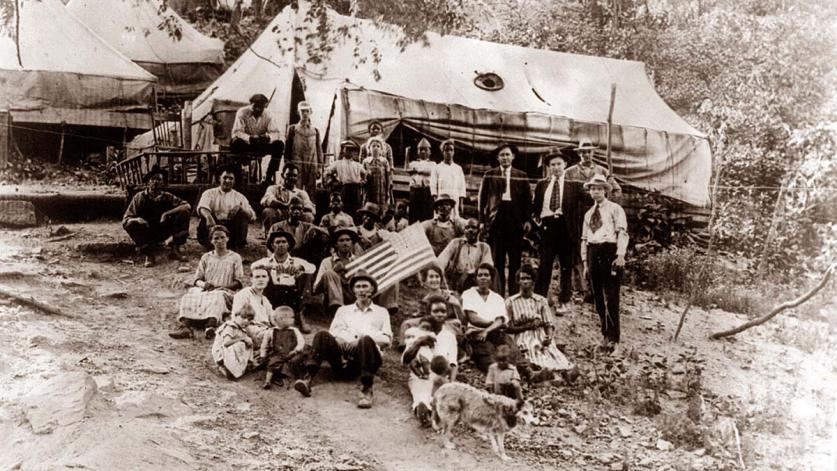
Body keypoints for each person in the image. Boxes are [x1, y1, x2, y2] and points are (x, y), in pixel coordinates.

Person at [300, 270, 392, 408]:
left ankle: (366, 390)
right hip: (342, 357)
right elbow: (334, 332)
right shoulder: (343, 310)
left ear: (372, 289)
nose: (361, 290)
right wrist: (341, 340)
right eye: (358, 287)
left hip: (365, 360)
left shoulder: (381, 312)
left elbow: (386, 339)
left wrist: (360, 341)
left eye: (365, 286)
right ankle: (307, 379)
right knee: (322, 335)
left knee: (366, 339)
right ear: (353, 290)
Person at [565, 139, 622, 302]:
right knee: (581, 251)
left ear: (593, 153)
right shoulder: (570, 172)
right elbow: (566, 196)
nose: (586, 154)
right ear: (579, 153)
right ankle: (583, 289)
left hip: (601, 216)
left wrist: (609, 207)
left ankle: (600, 289)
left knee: (600, 251)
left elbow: (617, 190)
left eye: (589, 151)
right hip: (579, 215)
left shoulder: (602, 171)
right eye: (583, 152)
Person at [580, 174, 628, 352]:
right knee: (598, 298)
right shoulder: (588, 214)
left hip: (610, 252)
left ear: (606, 191)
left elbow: (622, 233)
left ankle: (614, 338)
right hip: (593, 253)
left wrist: (620, 255)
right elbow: (584, 239)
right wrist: (585, 263)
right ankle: (605, 335)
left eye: (599, 188)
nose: (596, 192)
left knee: (612, 297)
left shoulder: (615, 209)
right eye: (593, 188)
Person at [171, 225, 245, 339]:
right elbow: (197, 279)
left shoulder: (235, 257)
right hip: (207, 289)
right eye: (216, 238)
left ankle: (211, 326)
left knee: (217, 296)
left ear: (228, 238)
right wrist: (204, 284)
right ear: (211, 241)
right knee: (189, 296)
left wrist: (221, 286)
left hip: (225, 291)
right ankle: (185, 327)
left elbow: (238, 282)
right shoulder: (206, 257)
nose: (219, 241)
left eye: (222, 237)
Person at [478, 143, 532, 296]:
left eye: (507, 154)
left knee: (515, 261)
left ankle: (514, 294)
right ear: (498, 157)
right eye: (502, 155)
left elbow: (528, 201)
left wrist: (527, 220)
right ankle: (499, 294)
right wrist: (482, 220)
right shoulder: (490, 174)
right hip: (496, 222)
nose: (505, 158)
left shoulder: (521, 175)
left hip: (515, 221)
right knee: (498, 261)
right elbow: (482, 199)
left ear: (513, 156)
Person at [505, 265, 574, 380]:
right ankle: (540, 374)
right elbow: (508, 327)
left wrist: (549, 336)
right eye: (522, 279)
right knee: (531, 349)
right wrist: (527, 326)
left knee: (550, 351)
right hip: (522, 335)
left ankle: (562, 374)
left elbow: (548, 323)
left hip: (540, 333)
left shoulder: (541, 300)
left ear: (533, 282)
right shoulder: (511, 301)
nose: (525, 281)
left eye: (528, 278)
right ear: (518, 281)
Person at [461, 263, 525, 376]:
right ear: (476, 278)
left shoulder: (497, 298)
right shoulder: (468, 294)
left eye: (486, 275)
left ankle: (528, 372)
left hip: (494, 332)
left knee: (509, 347)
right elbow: (473, 318)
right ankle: (500, 377)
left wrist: (488, 330)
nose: (483, 278)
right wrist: (492, 325)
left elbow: (500, 319)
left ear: (491, 278)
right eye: (480, 275)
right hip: (476, 333)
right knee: (487, 353)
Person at [402, 299, 458, 427]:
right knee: (420, 388)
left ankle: (431, 408)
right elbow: (405, 359)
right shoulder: (417, 332)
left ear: (447, 313)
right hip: (421, 373)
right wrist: (419, 341)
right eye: (435, 311)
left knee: (440, 391)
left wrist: (452, 383)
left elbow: (454, 362)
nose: (439, 314)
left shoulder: (449, 335)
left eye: (443, 311)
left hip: (442, 375)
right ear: (429, 313)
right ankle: (422, 409)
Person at [122, 165, 190, 267]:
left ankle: (174, 249)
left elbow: (186, 206)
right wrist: (137, 219)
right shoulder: (139, 197)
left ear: (163, 183)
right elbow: (126, 219)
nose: (155, 182)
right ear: (148, 182)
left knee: (184, 213)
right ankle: (148, 254)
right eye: (153, 179)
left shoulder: (167, 197)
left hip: (164, 230)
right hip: (147, 231)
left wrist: (166, 213)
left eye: (159, 179)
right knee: (132, 224)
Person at [532, 148, 576, 305]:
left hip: (565, 228)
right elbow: (535, 208)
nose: (556, 167)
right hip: (547, 227)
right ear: (549, 167)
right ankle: (539, 297)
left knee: (566, 265)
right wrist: (537, 224)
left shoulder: (573, 185)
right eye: (553, 164)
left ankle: (564, 299)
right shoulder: (542, 185)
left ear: (565, 164)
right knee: (545, 263)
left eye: (559, 164)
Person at [253, 230, 316, 333]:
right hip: (272, 297)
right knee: (262, 273)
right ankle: (267, 315)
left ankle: (300, 314)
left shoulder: (296, 261)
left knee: (305, 274)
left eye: (284, 242)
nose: (281, 245)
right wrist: (270, 267)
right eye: (277, 242)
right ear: (272, 246)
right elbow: (253, 266)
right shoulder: (266, 261)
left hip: (293, 297)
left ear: (288, 245)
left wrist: (300, 267)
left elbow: (312, 267)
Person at [397, 265, 464, 350]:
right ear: (425, 281)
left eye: (437, 276)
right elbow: (421, 317)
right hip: (430, 322)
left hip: (447, 323)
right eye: (431, 277)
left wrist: (457, 305)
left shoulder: (449, 295)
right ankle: (405, 348)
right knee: (406, 324)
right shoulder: (425, 299)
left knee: (449, 326)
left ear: (441, 279)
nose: (434, 280)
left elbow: (462, 319)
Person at [196, 166, 257, 249]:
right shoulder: (209, 193)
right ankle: (211, 244)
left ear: (234, 181)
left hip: (231, 230)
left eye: (231, 178)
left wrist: (241, 209)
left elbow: (252, 216)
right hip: (213, 226)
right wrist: (208, 217)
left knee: (242, 214)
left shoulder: (240, 197)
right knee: (205, 216)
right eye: (225, 178)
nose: (227, 181)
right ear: (219, 178)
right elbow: (202, 207)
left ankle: (236, 244)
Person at [230, 94, 284, 185]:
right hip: (246, 144)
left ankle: (268, 177)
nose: (258, 109)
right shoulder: (242, 112)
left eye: (261, 107)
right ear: (250, 104)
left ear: (265, 106)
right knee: (235, 142)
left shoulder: (269, 114)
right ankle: (238, 178)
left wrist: (267, 138)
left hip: (260, 144)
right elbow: (237, 132)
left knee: (279, 145)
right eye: (255, 107)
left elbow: (276, 132)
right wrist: (249, 138)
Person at [261, 306, 309, 395]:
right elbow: (265, 345)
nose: (293, 320)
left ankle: (300, 379)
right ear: (282, 319)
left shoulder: (294, 330)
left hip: (293, 352)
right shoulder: (271, 331)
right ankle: (268, 381)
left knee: (298, 360)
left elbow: (301, 341)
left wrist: (296, 350)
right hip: (279, 354)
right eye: (292, 318)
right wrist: (263, 355)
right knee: (272, 362)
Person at [436, 217, 493, 292]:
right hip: (457, 281)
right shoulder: (456, 243)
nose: (470, 230)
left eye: (474, 228)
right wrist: (438, 270)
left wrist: (470, 273)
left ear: (479, 230)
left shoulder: (484, 247)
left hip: (476, 281)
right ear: (464, 230)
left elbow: (487, 266)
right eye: (467, 227)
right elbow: (442, 260)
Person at [314, 226, 360, 317]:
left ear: (352, 243)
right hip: (332, 296)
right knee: (329, 273)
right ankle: (337, 309)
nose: (345, 243)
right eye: (341, 241)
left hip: (352, 294)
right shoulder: (327, 261)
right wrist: (334, 271)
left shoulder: (358, 260)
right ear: (336, 244)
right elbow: (315, 287)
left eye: (348, 240)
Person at [268, 196, 329, 263]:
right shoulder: (276, 226)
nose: (296, 211)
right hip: (282, 261)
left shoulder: (307, 226)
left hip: (302, 261)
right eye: (293, 209)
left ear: (302, 211)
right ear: (288, 210)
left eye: (299, 209)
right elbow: (269, 247)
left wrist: (315, 228)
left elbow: (327, 234)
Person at [260, 163, 316, 236]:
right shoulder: (273, 188)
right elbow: (266, 200)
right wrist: (285, 205)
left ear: (297, 177)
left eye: (294, 176)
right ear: (282, 175)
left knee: (308, 216)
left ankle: (303, 239)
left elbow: (311, 208)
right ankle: (272, 237)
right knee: (268, 211)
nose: (292, 178)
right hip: (280, 217)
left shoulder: (302, 193)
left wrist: (296, 207)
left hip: (296, 218)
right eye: (289, 175)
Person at [284, 101, 323, 198]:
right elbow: (287, 148)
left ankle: (310, 210)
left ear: (311, 112)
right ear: (298, 112)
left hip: (311, 162)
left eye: (307, 111)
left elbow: (319, 149)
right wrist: (287, 164)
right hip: (297, 161)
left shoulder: (315, 130)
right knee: (296, 188)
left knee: (311, 189)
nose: (305, 114)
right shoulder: (293, 129)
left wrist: (319, 167)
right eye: (302, 111)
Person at [211, 304, 255, 379]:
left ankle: (245, 365)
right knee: (240, 344)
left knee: (248, 342)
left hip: (233, 352)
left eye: (249, 320)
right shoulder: (229, 326)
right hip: (222, 352)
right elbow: (226, 343)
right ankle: (224, 367)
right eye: (245, 318)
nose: (247, 321)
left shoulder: (242, 329)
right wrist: (241, 339)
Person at [325, 140, 366, 216]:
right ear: (343, 151)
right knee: (344, 208)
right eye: (347, 149)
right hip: (344, 188)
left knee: (356, 209)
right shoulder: (338, 163)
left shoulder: (358, 165)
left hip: (356, 189)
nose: (349, 152)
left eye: (351, 150)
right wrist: (333, 182)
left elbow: (366, 174)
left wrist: (363, 181)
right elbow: (327, 172)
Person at [429, 139, 467, 218]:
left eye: (451, 150)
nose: (449, 152)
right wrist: (436, 202)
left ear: (454, 152)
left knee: (454, 220)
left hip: (455, 199)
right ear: (442, 152)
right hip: (441, 201)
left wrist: (461, 203)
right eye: (446, 150)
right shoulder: (437, 168)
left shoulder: (458, 168)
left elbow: (462, 187)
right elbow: (433, 186)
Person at [407, 138, 436, 222]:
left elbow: (430, 171)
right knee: (413, 216)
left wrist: (417, 170)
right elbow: (407, 169)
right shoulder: (413, 163)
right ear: (417, 151)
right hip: (415, 191)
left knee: (426, 215)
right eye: (421, 149)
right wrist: (407, 154)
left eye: (425, 150)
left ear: (429, 152)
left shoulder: (432, 164)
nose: (423, 152)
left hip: (426, 191)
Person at [362, 136, 392, 214]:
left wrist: (388, 190)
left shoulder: (384, 161)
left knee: (381, 207)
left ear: (381, 149)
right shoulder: (366, 161)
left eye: (378, 146)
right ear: (369, 148)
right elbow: (362, 176)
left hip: (381, 188)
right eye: (373, 146)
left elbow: (388, 176)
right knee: (369, 206)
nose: (375, 148)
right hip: (370, 188)